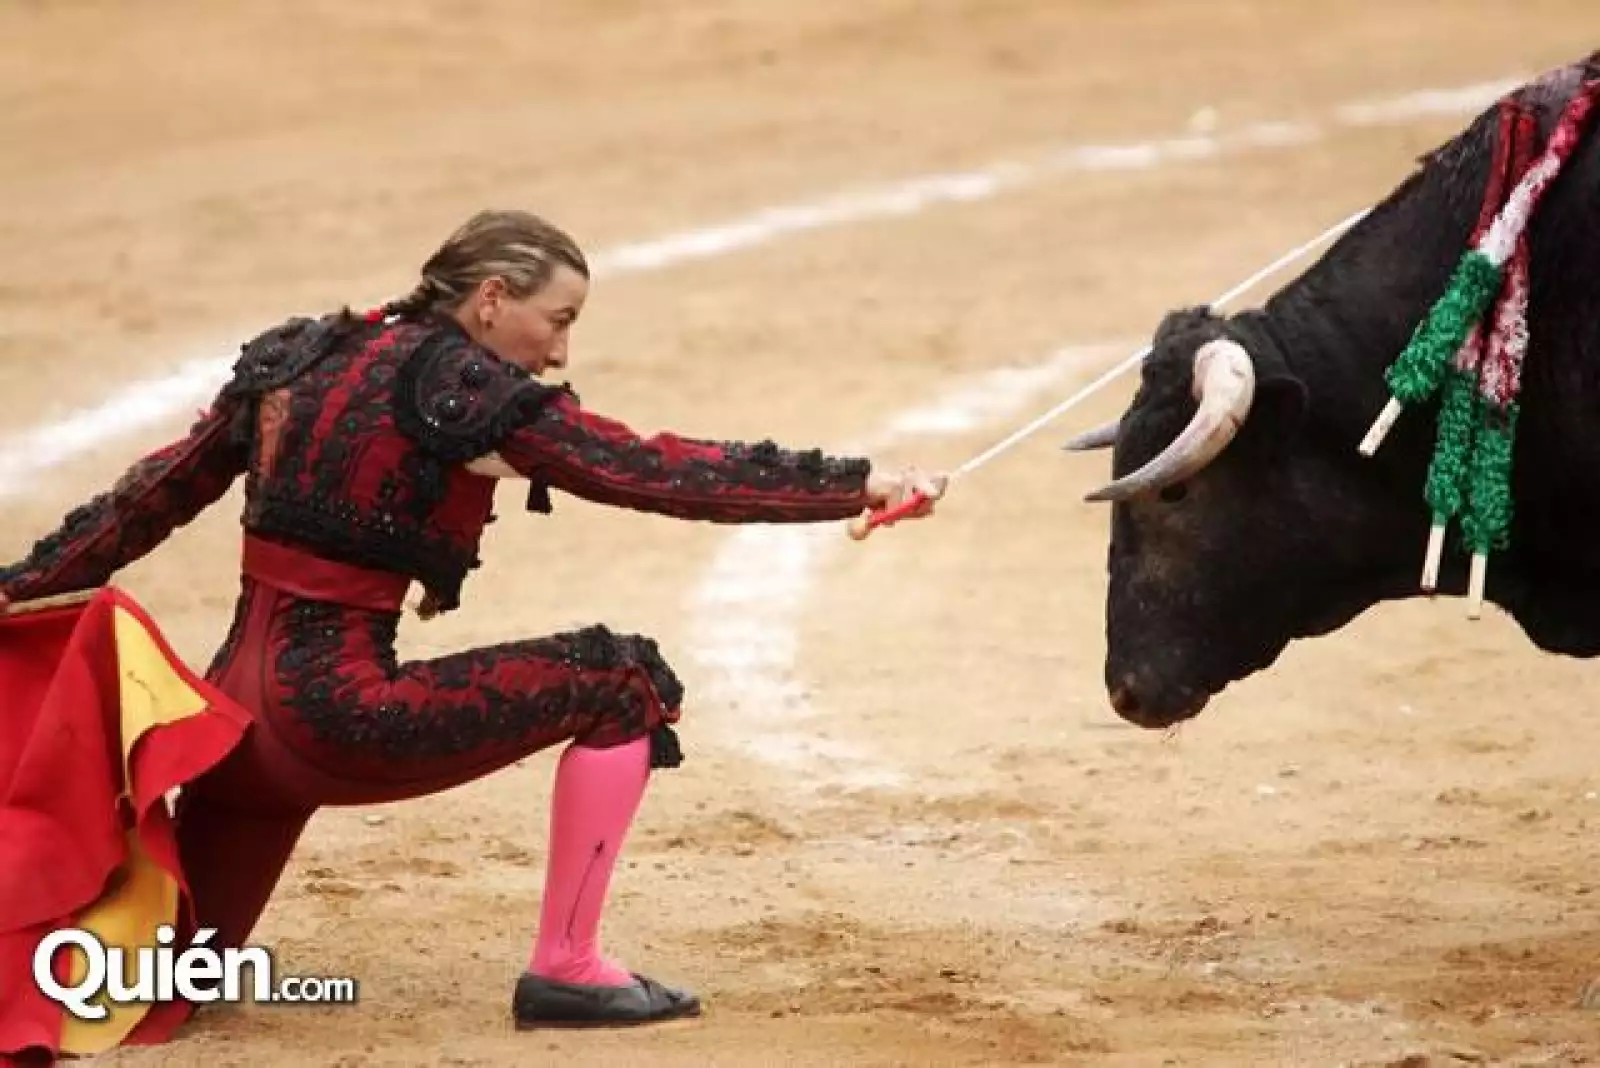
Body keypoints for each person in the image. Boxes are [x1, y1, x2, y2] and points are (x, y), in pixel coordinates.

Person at [0, 209, 947, 1031]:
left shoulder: (301, 354)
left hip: (231, 742)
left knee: (171, 983)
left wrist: (13, 589)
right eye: (559, 319)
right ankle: (568, 967)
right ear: (492, 299)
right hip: (335, 719)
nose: (563, 351)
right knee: (623, 679)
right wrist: (859, 484)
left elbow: (144, 501)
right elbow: (648, 469)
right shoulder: (466, 390)